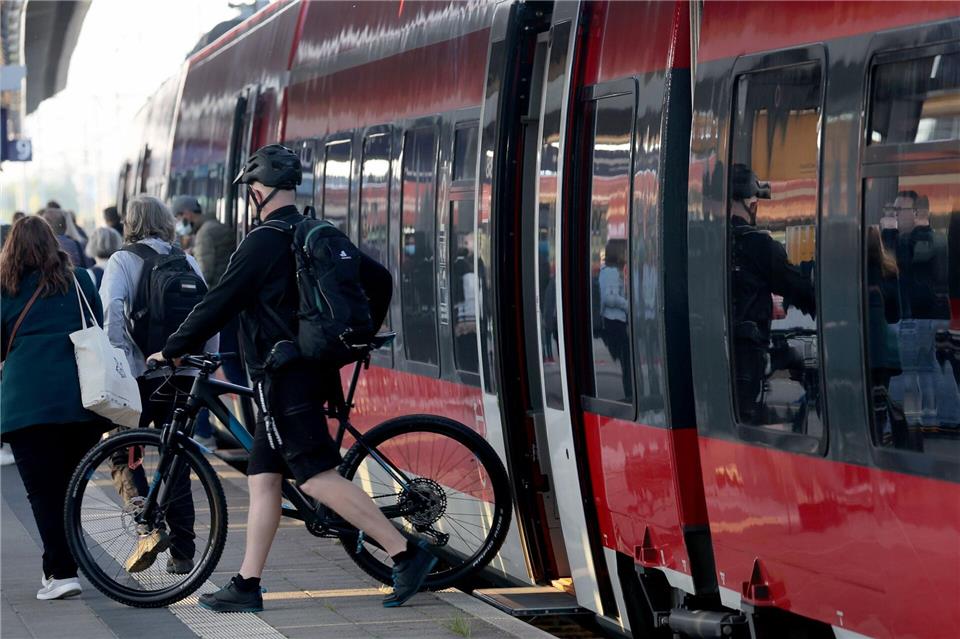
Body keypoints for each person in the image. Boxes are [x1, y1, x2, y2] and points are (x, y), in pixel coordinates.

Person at [150, 144, 437, 613]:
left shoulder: (262, 242)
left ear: (258, 191)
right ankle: (247, 583)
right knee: (264, 478)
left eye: (251, 191)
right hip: (301, 371)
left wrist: (174, 348)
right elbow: (380, 280)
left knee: (315, 475)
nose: (251, 198)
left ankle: (406, 552)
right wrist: (349, 341)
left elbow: (219, 301)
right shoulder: (314, 231)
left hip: (286, 377)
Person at [100, 195, 217, 575]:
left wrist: (117, 361)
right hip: (182, 375)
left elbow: (111, 313)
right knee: (176, 459)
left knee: (122, 450)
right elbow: (207, 315)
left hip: (140, 376)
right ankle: (183, 553)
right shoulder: (187, 260)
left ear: (129, 224)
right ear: (167, 222)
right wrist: (203, 365)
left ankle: (147, 527)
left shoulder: (123, 260)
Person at [1, 216, 110, 599]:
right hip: (82, 404)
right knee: (69, 487)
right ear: (53, 243)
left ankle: (61, 573)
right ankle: (63, 565)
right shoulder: (79, 282)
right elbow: (96, 325)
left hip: (27, 407)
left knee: (43, 492)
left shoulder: (5, 287)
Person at [729, 163, 816, 424]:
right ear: (750, 203)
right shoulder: (759, 245)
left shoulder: (704, 242)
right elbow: (796, 287)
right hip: (746, 355)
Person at [171, 195, 241, 448]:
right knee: (230, 371)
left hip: (219, 315)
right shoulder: (216, 229)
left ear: (187, 214)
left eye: (179, 218)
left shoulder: (206, 235)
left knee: (203, 373)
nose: (179, 223)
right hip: (230, 312)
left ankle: (205, 433)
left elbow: (204, 279)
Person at [598, 239, 632, 401]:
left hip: (612, 322)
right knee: (626, 363)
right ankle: (628, 395)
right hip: (616, 322)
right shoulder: (611, 272)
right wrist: (628, 305)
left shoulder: (606, 272)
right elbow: (610, 298)